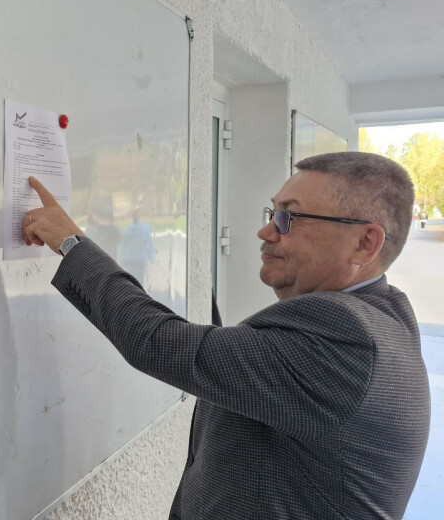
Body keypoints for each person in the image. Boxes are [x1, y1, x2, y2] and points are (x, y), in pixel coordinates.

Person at [22, 151, 429, 519]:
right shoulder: (385, 314)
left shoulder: (348, 340)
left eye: (288, 218)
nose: (266, 232)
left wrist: (72, 244)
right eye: (272, 212)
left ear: (364, 243)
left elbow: (158, 341)